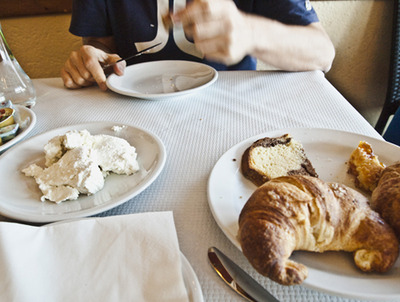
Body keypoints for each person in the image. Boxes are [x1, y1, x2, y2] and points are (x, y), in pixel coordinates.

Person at [61, 0, 335, 91]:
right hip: (131, 110)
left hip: (230, 108)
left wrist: (251, 32)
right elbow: (100, 46)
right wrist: (93, 60)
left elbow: (322, 53)